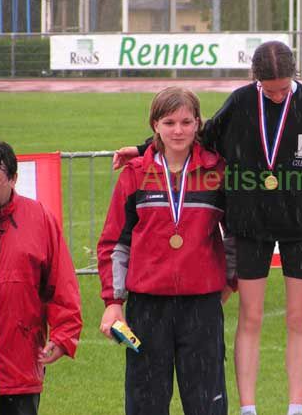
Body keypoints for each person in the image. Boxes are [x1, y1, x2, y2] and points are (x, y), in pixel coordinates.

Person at [113, 41, 302, 415]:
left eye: (284, 88)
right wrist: (142, 149)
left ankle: (296, 407)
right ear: (255, 80)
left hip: (301, 223)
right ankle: (248, 408)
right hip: (250, 223)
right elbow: (196, 132)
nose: (278, 96)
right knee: (251, 316)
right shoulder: (241, 101)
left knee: (299, 318)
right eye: (270, 89)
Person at [98, 87, 236, 415]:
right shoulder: (134, 175)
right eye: (169, 122)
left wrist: (229, 282)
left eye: (187, 122)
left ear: (198, 124)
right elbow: (115, 243)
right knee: (146, 403)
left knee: (206, 403)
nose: (178, 130)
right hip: (147, 307)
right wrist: (113, 303)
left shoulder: (217, 173)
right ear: (154, 125)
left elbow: (237, 236)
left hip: (202, 305)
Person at [0, 139, 82, 415]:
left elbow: (61, 283)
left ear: (13, 179)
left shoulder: (39, 218)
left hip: (21, 360)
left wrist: (63, 335)